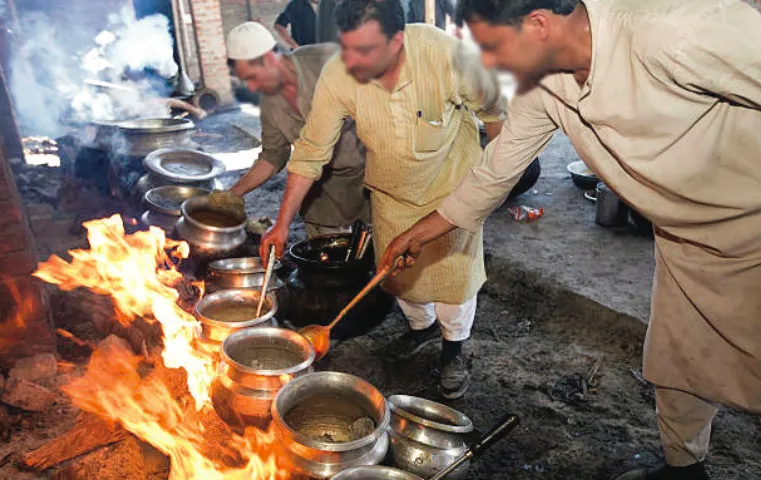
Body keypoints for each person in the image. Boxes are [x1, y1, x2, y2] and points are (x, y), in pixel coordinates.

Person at [379, 0, 761, 478]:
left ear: (538, 24)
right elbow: (496, 170)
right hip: (682, 242)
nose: (488, 64)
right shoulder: (544, 85)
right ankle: (684, 468)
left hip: (752, 234)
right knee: (678, 363)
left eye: (493, 47)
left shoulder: (677, 29)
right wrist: (422, 231)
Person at [260, 0, 506, 399]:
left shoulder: (446, 55)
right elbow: (310, 152)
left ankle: (453, 350)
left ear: (397, 41)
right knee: (398, 277)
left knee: (454, 284)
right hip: (391, 195)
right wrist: (282, 222)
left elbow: (496, 115)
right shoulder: (340, 73)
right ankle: (422, 329)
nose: (353, 62)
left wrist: (492, 183)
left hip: (450, 193)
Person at [226, 22, 369, 238]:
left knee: (380, 250)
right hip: (322, 192)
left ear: (270, 58)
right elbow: (273, 156)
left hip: (370, 181)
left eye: (252, 78)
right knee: (327, 255)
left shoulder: (327, 61)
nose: (253, 88)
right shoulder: (270, 104)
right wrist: (233, 194)